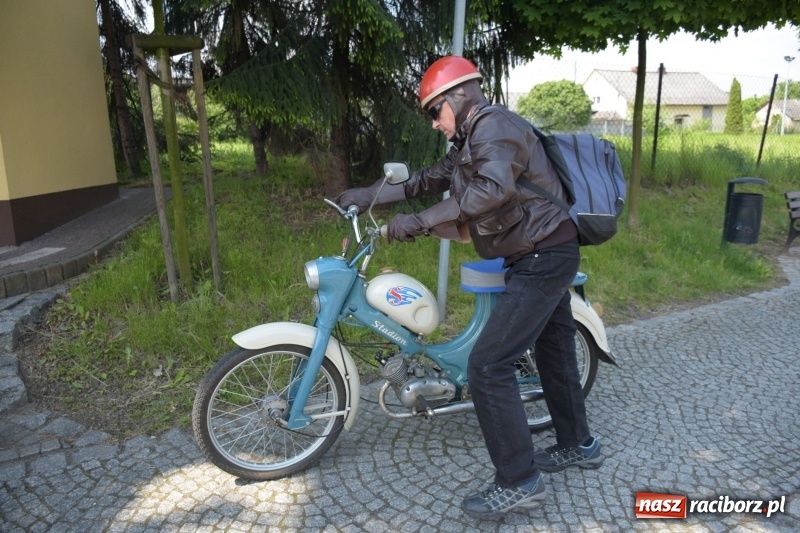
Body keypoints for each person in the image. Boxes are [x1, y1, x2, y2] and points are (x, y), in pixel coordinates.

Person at [336, 56, 603, 520]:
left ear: (459, 97)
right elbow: (427, 179)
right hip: (540, 252)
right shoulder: (470, 138)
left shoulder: (494, 126)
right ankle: (579, 444)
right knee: (556, 350)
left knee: (489, 364)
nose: (435, 123)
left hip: (544, 256)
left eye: (434, 111)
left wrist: (416, 224)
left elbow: (490, 191)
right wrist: (369, 194)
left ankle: (519, 481)